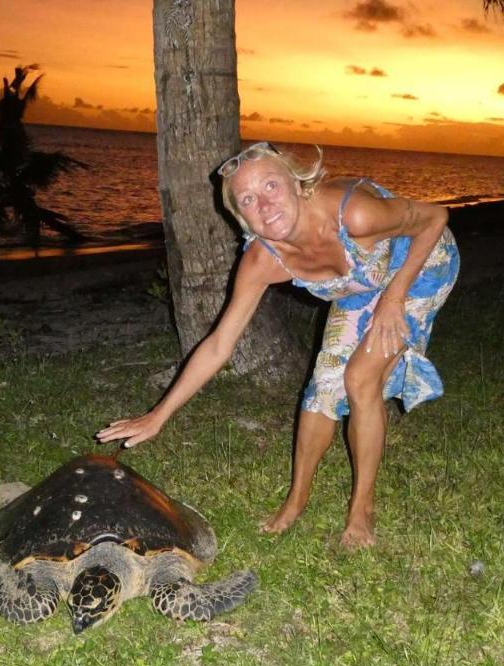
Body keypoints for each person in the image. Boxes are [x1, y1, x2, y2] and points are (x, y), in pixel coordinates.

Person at [97, 142, 460, 549]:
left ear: (297, 183)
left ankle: (362, 510)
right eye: (248, 199)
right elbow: (219, 343)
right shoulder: (262, 260)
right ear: (240, 216)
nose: (264, 204)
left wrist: (394, 298)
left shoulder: (354, 213)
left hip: (420, 265)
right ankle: (296, 500)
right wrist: (158, 415)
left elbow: (435, 217)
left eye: (271, 185)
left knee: (360, 379)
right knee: (322, 387)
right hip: (358, 286)